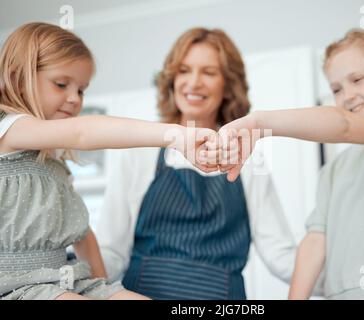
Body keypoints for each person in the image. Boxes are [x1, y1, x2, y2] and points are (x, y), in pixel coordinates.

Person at [211, 29, 364, 299]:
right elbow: (315, 242)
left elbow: (344, 126)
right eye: (337, 89)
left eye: (358, 79)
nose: (348, 95)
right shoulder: (336, 169)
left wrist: (259, 123)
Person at [0, 22, 215, 300]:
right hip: (15, 286)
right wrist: (177, 135)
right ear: (19, 78)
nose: (74, 98)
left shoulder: (55, 169)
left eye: (81, 90)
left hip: (64, 280)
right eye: (62, 84)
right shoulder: (10, 129)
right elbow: (82, 132)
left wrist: (105, 290)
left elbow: (83, 235)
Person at [96, 27, 296, 300]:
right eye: (184, 70)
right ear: (171, 79)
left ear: (227, 86)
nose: (194, 82)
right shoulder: (140, 152)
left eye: (209, 72)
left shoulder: (247, 159)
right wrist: (61, 279)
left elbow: (279, 254)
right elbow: (111, 253)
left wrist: (346, 277)